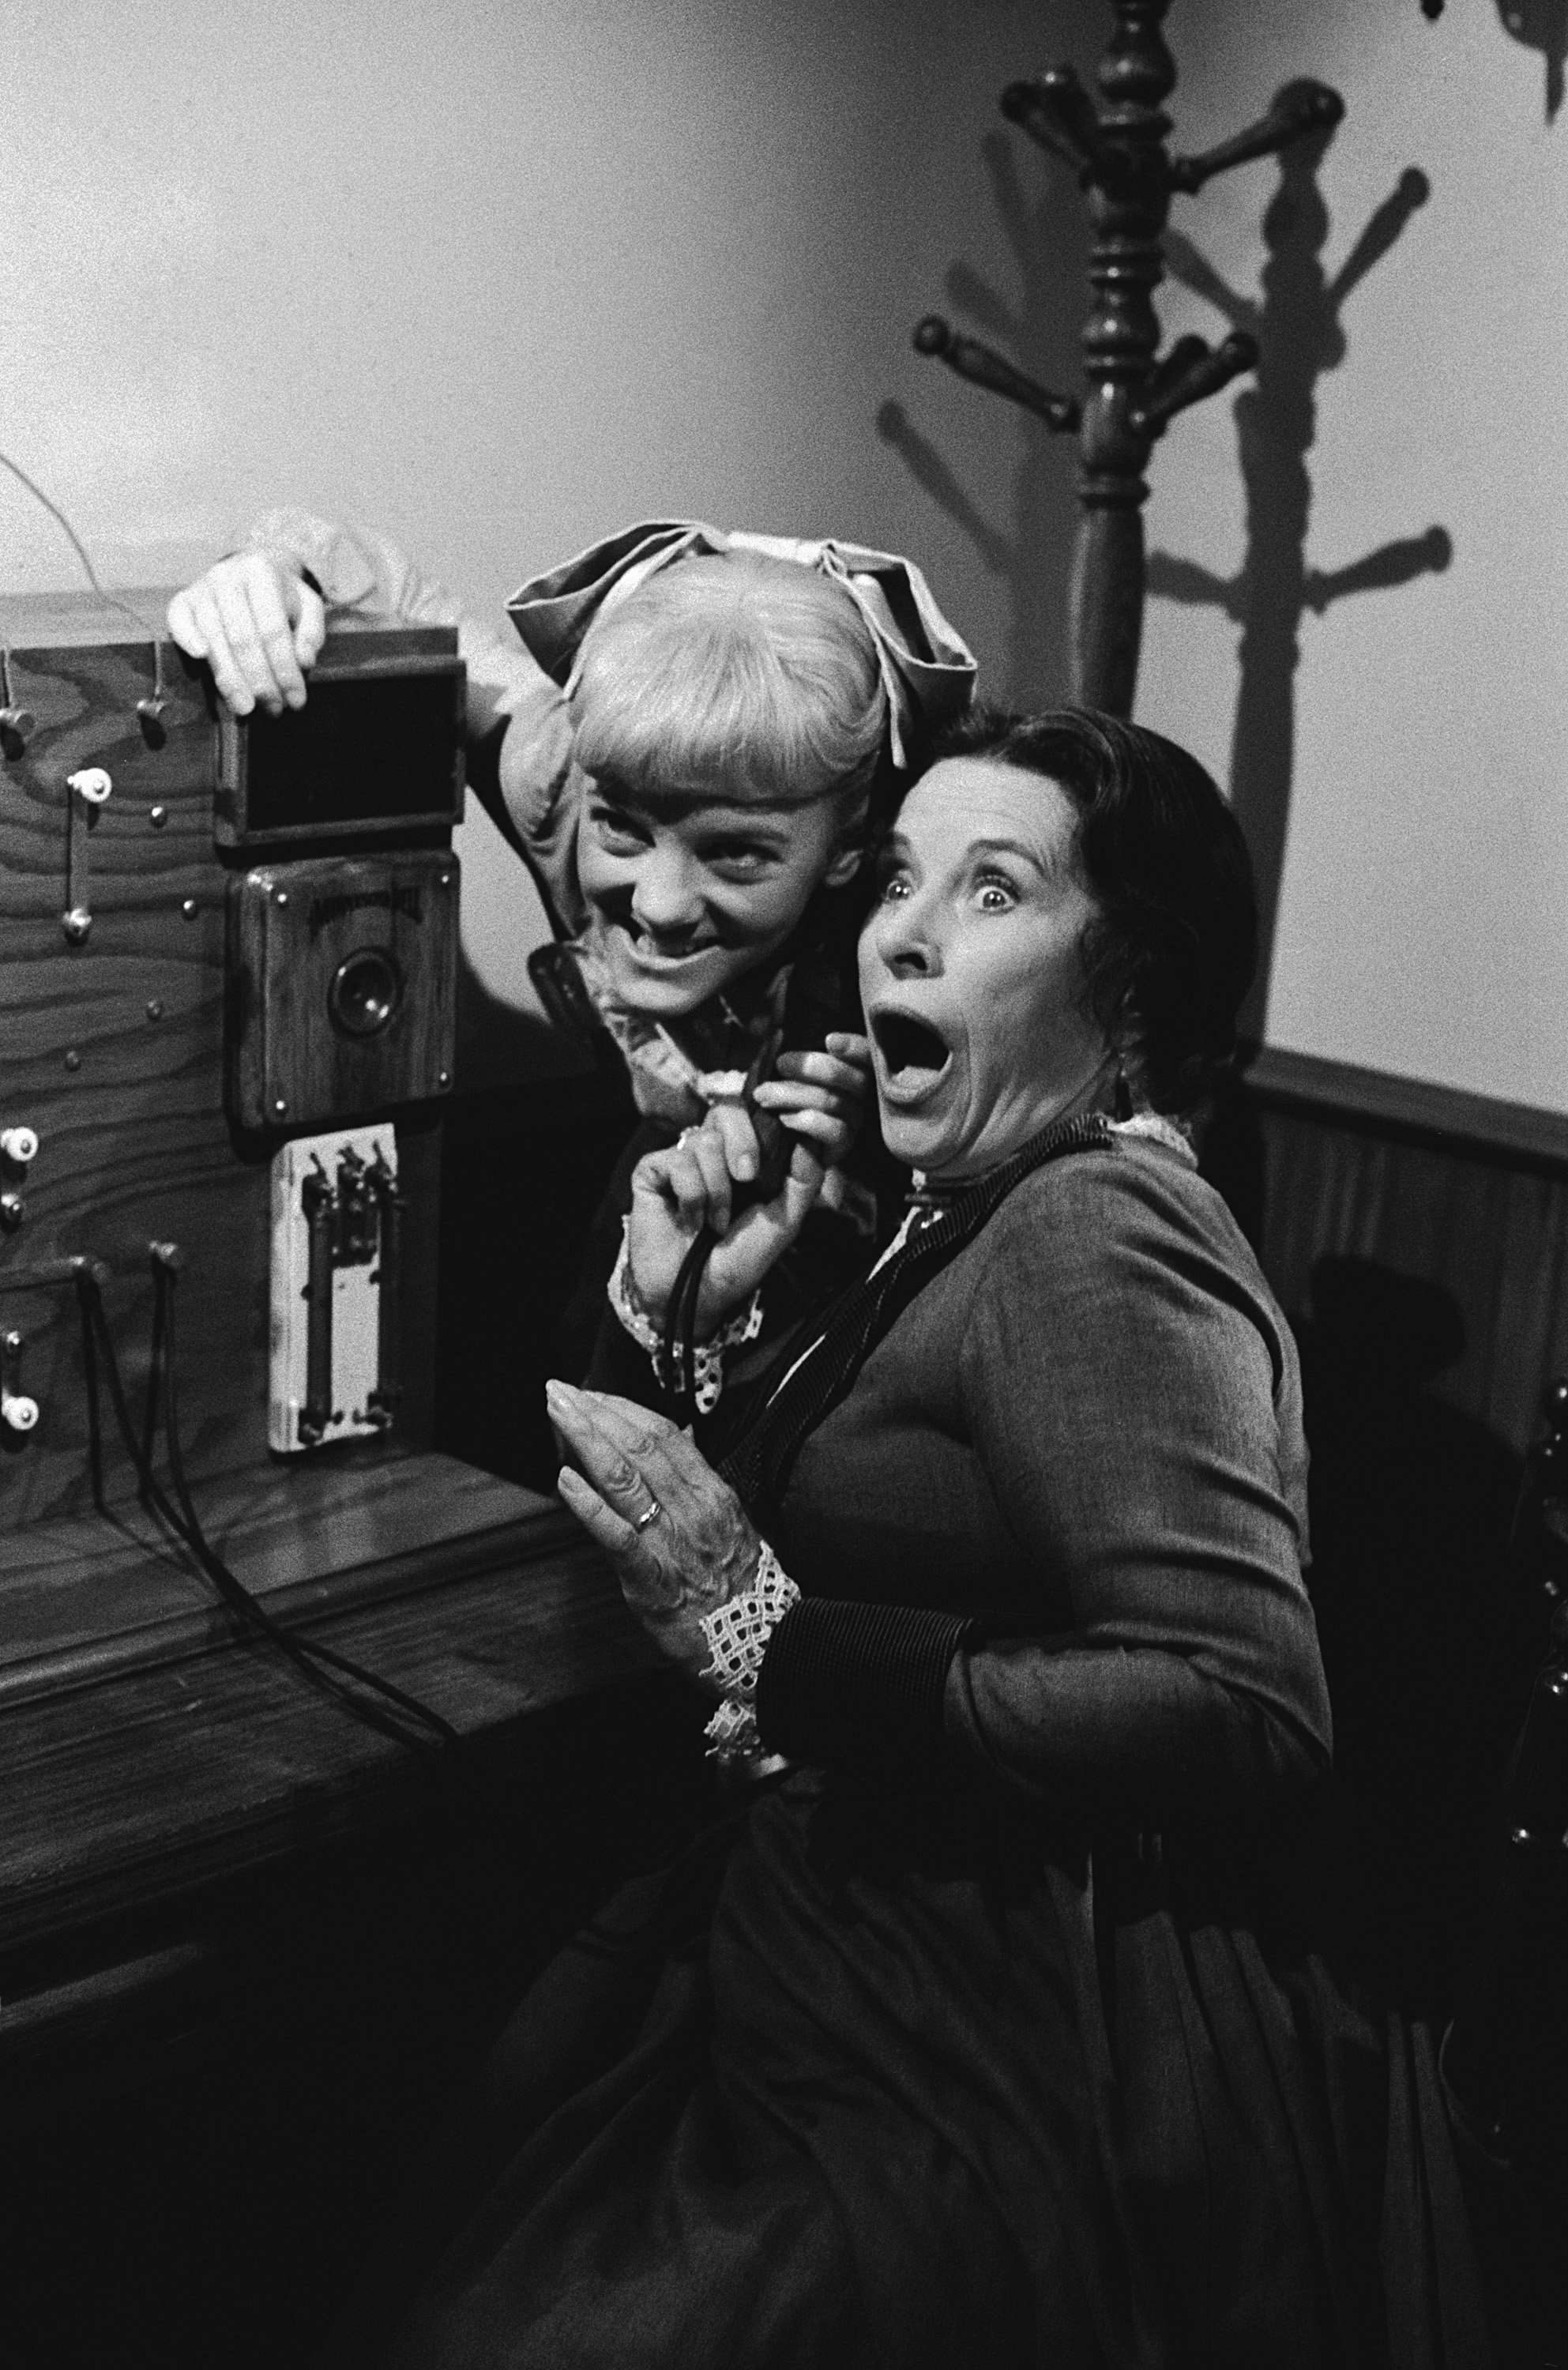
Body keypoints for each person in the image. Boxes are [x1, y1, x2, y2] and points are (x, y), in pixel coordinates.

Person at [334, 708, 1494, 2369]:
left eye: (993, 891)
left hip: (993, 2037)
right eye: (895, 880)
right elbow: (843, 1543)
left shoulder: (1097, 1225)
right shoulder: (978, 1203)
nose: (900, 927)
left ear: (1133, 988)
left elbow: (1240, 1702)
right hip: (844, 1966)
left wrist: (769, 1645)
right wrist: (690, 1317)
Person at [167, 514, 976, 1391]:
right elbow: (393, 596)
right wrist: (272, 572)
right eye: (622, 829)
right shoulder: (559, 775)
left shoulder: (912, 925)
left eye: (735, 853)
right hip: (650, 1191)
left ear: (849, 847)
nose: (658, 906)